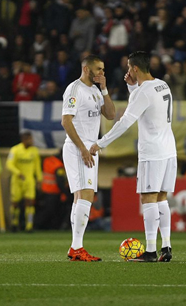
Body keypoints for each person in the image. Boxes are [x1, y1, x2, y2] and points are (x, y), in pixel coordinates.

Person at [90, 51, 176, 263]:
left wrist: (101, 143)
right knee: (162, 198)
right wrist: (131, 87)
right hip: (169, 149)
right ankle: (166, 246)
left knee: (148, 198)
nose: (127, 72)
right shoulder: (163, 85)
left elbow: (126, 122)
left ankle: (149, 251)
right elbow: (145, 105)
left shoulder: (143, 92)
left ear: (135, 68)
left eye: (129, 68)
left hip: (152, 152)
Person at [61, 54, 115, 262]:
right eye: (99, 69)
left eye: (103, 69)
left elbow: (110, 115)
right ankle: (76, 247)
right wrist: (82, 148)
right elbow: (66, 121)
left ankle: (76, 247)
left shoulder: (95, 90)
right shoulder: (74, 89)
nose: (102, 73)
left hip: (89, 149)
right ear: (86, 69)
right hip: (78, 149)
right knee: (86, 195)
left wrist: (105, 89)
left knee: (80, 197)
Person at [6, 131, 42, 232]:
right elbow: (9, 164)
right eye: (29, 139)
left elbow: (37, 166)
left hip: (29, 180)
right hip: (17, 181)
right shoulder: (15, 150)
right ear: (24, 140)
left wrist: (39, 179)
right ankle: (14, 223)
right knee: (15, 203)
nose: (32, 141)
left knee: (30, 203)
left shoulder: (34, 151)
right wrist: (18, 173)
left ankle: (29, 226)